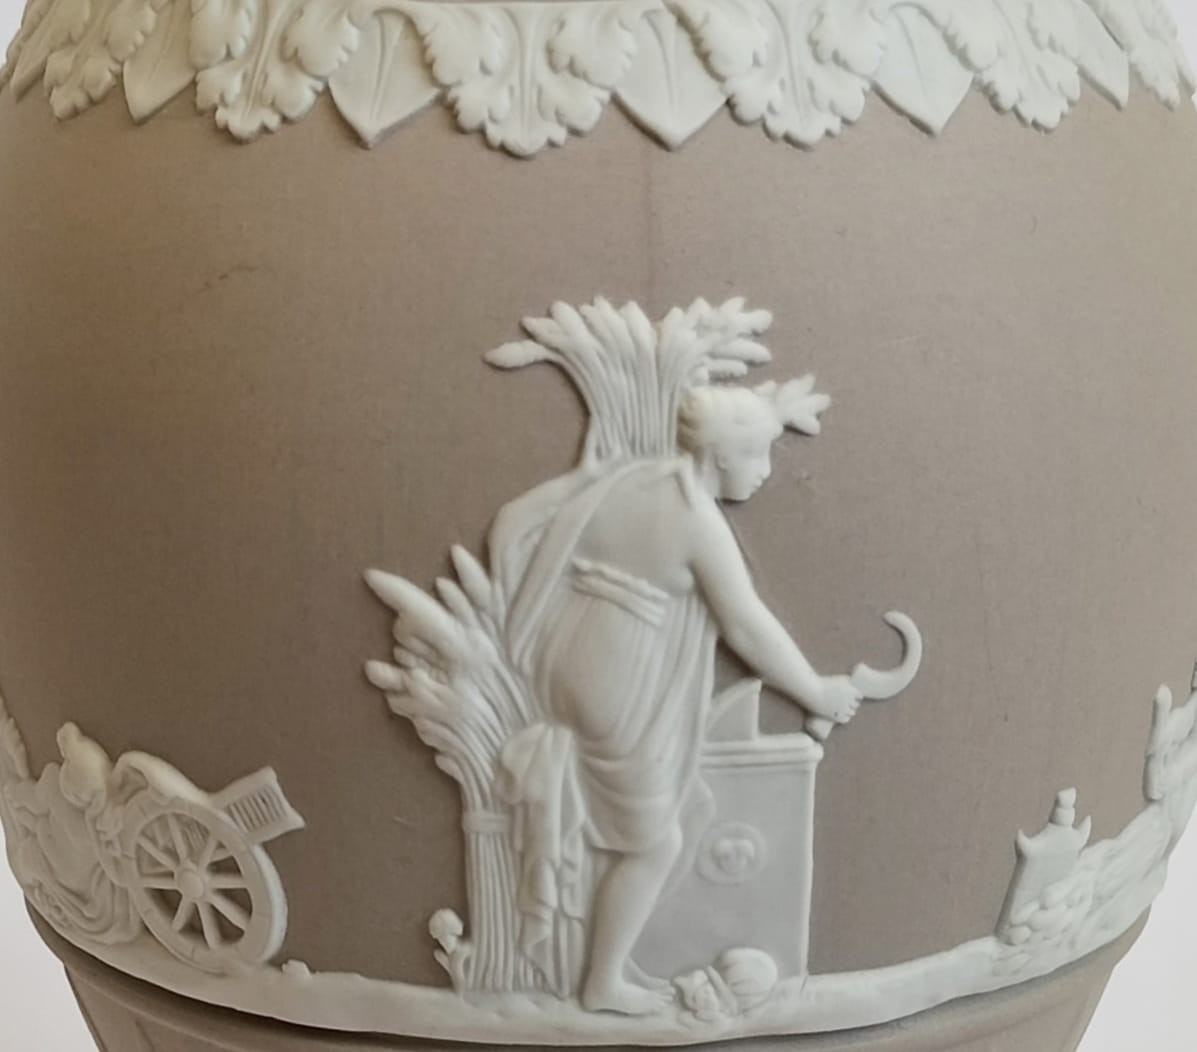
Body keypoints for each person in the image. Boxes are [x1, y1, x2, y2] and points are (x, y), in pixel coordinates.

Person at [497, 379, 863, 1015]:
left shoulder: (635, 480)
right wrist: (815, 691)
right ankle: (602, 980)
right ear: (718, 455)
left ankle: (609, 941)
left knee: (683, 811)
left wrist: (763, 415)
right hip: (613, 685)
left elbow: (522, 524)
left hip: (564, 661)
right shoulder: (697, 524)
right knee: (657, 842)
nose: (766, 471)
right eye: (756, 455)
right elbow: (745, 625)